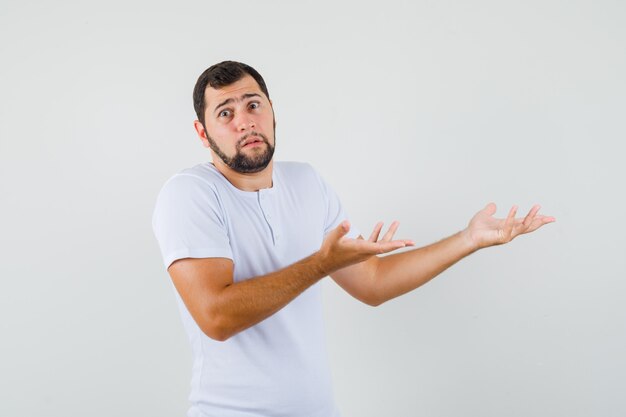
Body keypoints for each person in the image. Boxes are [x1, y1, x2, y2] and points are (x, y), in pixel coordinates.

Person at [152, 60, 555, 417]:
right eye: (226, 113)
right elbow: (216, 317)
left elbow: (373, 283)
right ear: (202, 132)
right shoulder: (189, 194)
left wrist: (468, 239)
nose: (245, 121)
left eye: (253, 104)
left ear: (273, 112)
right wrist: (322, 264)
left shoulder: (307, 181)